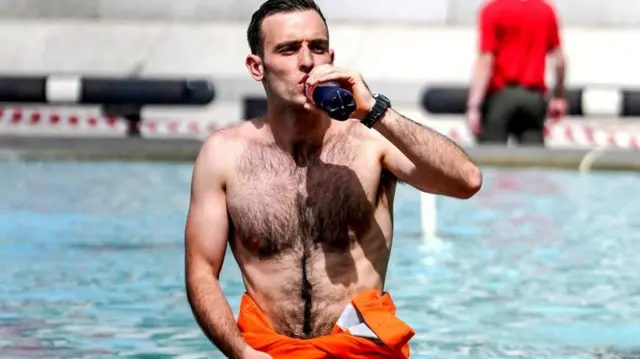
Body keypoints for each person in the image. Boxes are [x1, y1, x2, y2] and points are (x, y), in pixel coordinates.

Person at [184, 0, 482, 358]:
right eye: (288, 49)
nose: (307, 61)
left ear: (331, 57)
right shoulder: (223, 155)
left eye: (317, 47)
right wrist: (241, 352)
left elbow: (467, 181)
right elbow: (202, 270)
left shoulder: (370, 142)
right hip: (265, 350)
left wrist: (375, 110)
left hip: (362, 348)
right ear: (256, 67)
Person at [467, 0, 568, 146]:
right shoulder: (545, 10)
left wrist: (473, 106)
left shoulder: (492, 10)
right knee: (532, 160)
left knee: (491, 157)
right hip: (533, 98)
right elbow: (559, 61)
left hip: (500, 97)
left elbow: (485, 61)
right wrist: (558, 97)